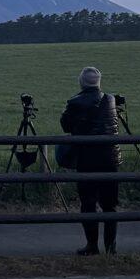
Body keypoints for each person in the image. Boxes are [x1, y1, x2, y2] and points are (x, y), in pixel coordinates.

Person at [60, 66, 121, 255]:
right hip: (111, 159)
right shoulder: (111, 100)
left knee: (88, 203)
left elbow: (65, 125)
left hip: (87, 159)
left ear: (81, 82)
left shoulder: (75, 102)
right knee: (110, 205)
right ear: (99, 82)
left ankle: (92, 245)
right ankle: (111, 248)